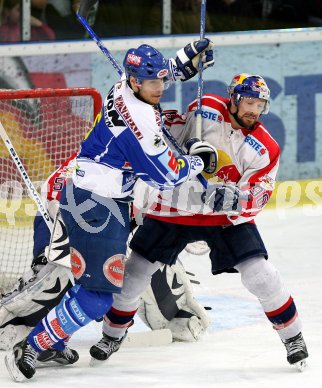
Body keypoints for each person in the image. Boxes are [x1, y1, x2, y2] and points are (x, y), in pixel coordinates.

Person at [5, 38, 216, 382]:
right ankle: (31, 346)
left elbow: (159, 76)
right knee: (98, 298)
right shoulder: (144, 121)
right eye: (152, 82)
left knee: (88, 283)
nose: (159, 87)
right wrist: (198, 161)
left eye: (161, 79)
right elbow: (165, 176)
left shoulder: (122, 85)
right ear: (134, 82)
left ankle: (52, 337)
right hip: (96, 209)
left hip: (94, 196)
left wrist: (184, 61)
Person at [87, 74, 309, 371]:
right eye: (249, 102)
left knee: (261, 276)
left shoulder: (265, 147)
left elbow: (261, 193)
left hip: (222, 219)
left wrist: (237, 199)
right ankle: (112, 335)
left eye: (260, 104)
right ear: (234, 98)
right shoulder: (204, 109)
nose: (254, 110)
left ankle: (293, 337)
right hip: (174, 209)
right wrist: (185, 144)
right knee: (134, 275)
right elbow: (163, 131)